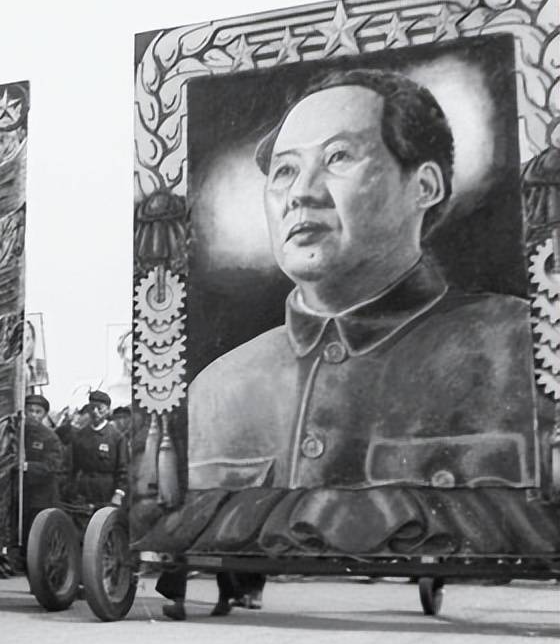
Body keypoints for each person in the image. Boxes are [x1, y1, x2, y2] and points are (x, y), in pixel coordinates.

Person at [188, 69, 536, 491]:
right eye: (284, 171)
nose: (301, 192)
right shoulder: (216, 391)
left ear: (424, 186)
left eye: (338, 157)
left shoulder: (522, 348)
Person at [68, 391, 126, 505]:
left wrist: (118, 494)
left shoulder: (117, 437)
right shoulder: (80, 435)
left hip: (106, 491)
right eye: (92, 408)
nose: (95, 412)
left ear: (108, 410)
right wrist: (71, 489)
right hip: (82, 491)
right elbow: (72, 466)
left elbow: (123, 470)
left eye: (100, 408)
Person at [20, 394, 65, 534]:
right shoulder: (17, 433)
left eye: (38, 412)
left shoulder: (50, 437)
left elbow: (52, 466)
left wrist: (27, 467)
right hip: (21, 495)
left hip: (42, 498)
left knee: (36, 534)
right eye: (30, 410)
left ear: (44, 415)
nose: (33, 415)